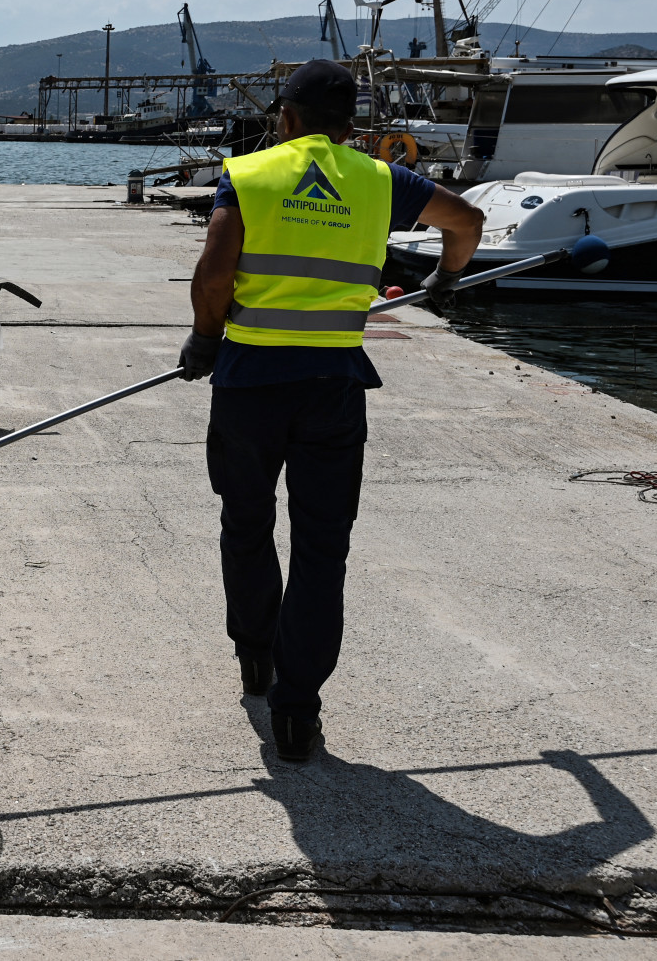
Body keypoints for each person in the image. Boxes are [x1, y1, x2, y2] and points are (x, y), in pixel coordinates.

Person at [177, 59, 483, 762]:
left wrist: (204, 335)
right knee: (323, 547)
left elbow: (216, 270)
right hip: (334, 387)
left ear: (284, 118)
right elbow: (464, 221)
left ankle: (256, 655)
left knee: (246, 521)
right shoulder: (381, 179)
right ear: (352, 128)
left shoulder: (250, 174)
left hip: (250, 383)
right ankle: (297, 709)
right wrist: (445, 278)